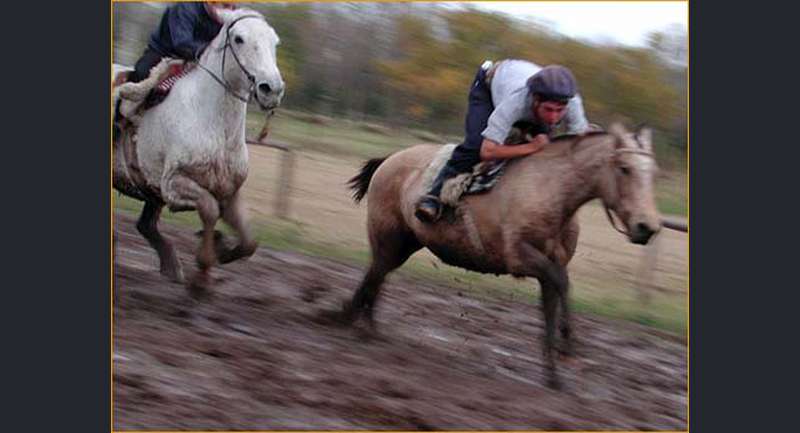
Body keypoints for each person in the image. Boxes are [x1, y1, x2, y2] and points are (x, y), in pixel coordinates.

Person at [414, 59, 591, 223]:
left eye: (560, 110)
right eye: (549, 110)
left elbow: (578, 143)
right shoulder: (515, 103)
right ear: (536, 100)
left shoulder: (572, 102)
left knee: (547, 153)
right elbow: (488, 151)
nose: (554, 118)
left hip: (519, 84)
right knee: (475, 147)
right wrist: (531, 146)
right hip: (488, 87)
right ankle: (433, 196)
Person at [126, 2, 235, 83]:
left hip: (201, 59)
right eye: (225, 6)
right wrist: (211, 51)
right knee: (141, 74)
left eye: (232, 7)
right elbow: (182, 43)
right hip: (164, 53)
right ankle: (120, 112)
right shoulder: (185, 8)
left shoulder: (229, 21)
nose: (229, 11)